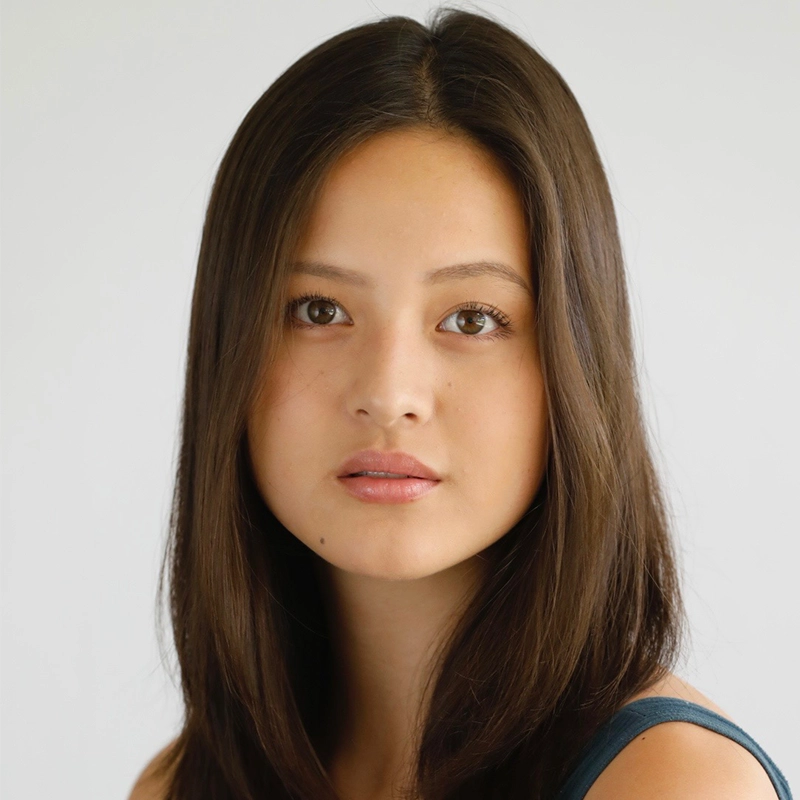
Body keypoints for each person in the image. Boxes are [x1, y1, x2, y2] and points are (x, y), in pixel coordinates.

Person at [128, 7, 793, 799]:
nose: (388, 394)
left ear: (574, 366)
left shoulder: (672, 786)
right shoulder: (181, 784)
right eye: (317, 311)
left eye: (472, 319)